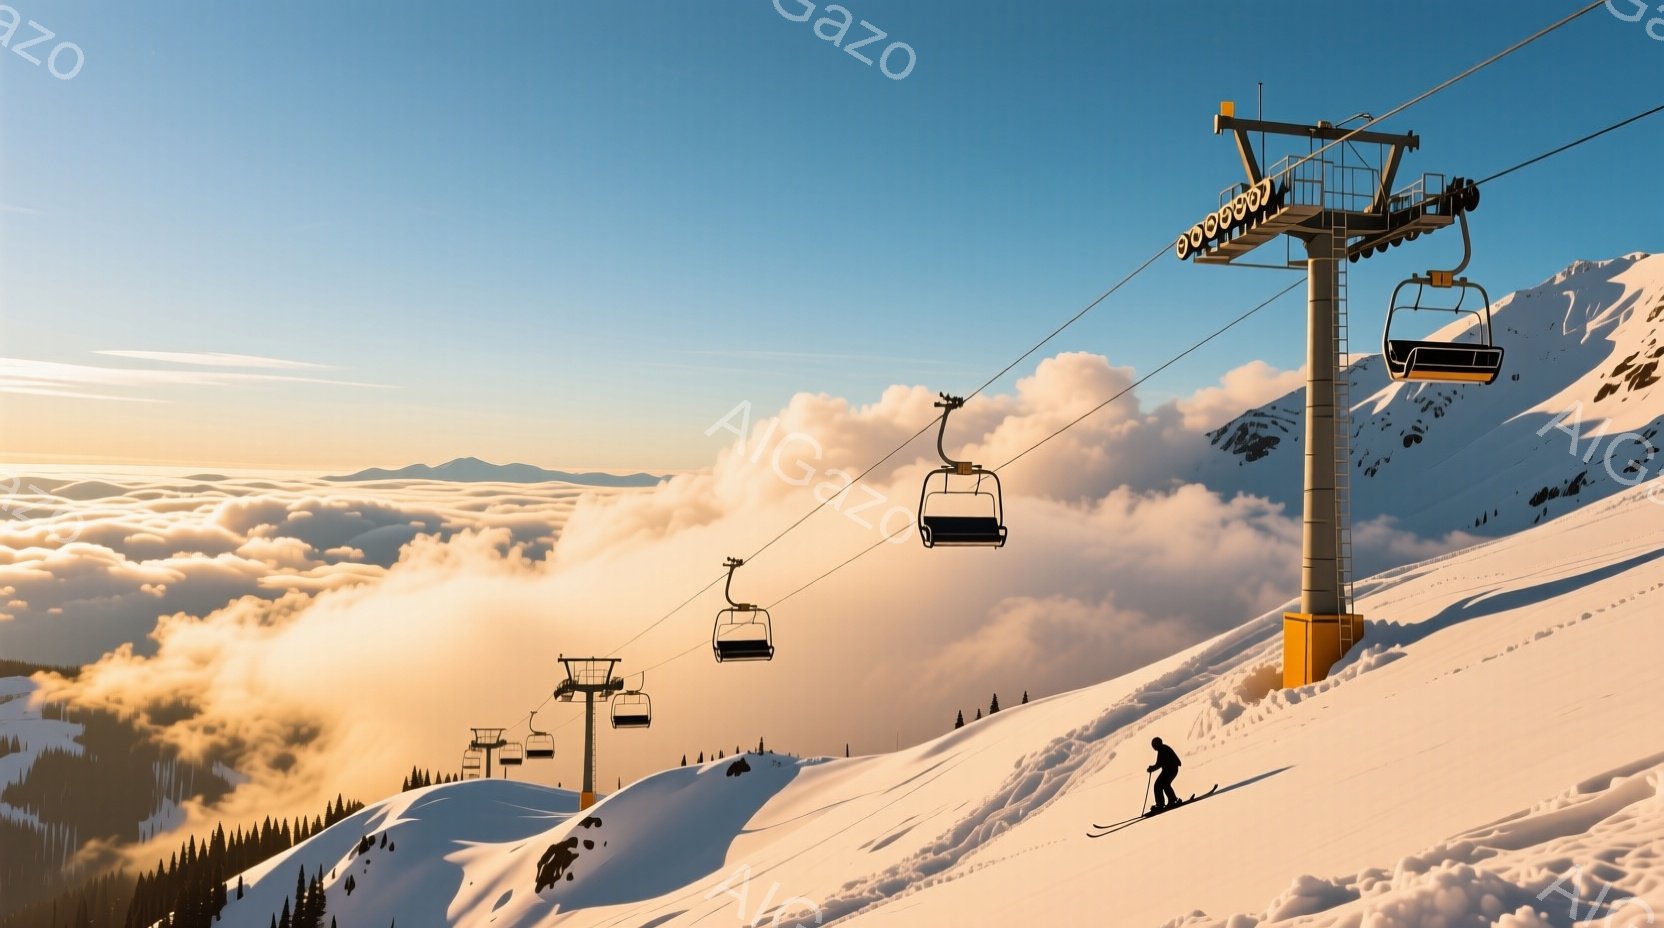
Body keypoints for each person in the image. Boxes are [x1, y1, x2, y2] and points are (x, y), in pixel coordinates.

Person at [1146, 737, 1182, 813]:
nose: (1153, 747)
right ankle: (1171, 801)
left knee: (1160, 785)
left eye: (1154, 745)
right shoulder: (1162, 749)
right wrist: (1152, 768)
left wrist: (1152, 768)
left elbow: (1159, 764)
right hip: (1169, 770)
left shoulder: (1163, 749)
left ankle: (1163, 803)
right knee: (1162, 784)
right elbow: (1159, 763)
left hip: (1170, 770)